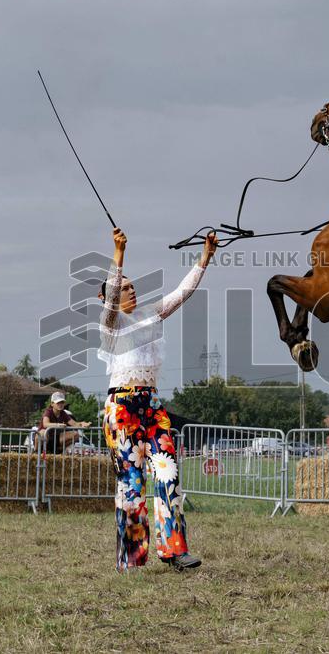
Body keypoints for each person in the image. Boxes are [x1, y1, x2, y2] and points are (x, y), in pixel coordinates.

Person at [98, 226, 216, 572]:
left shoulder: (152, 315)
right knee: (132, 484)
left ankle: (175, 551)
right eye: (124, 288)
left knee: (168, 473)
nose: (131, 290)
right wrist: (118, 255)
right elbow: (108, 302)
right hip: (121, 410)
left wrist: (205, 257)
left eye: (133, 286)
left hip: (151, 406)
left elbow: (184, 291)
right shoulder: (111, 326)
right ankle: (133, 558)